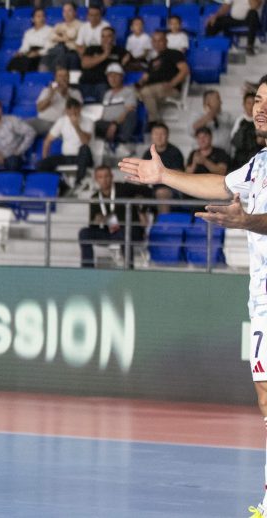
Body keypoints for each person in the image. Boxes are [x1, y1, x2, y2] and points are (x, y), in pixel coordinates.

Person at [119, 75, 267, 518]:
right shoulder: (259, 163)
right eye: (258, 100)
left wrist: (249, 222)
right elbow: (222, 185)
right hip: (261, 297)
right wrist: (164, 175)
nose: (260, 108)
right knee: (265, 397)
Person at [77, 165, 149, 268]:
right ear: (96, 179)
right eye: (100, 177)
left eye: (106, 176)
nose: (104, 180)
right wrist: (96, 222)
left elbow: (147, 191)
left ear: (112, 176)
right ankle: (87, 269)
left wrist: (142, 211)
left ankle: (129, 269)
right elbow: (92, 225)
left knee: (124, 232)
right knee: (84, 233)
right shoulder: (95, 198)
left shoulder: (124, 188)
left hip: (131, 230)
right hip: (111, 232)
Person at [37, 97, 94, 187]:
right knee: (42, 164)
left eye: (76, 109)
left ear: (80, 109)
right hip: (67, 157)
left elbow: (85, 141)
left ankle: (78, 182)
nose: (73, 112)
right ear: (67, 111)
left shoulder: (88, 121)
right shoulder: (62, 121)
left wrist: (76, 126)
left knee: (84, 148)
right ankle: (60, 183)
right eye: (70, 110)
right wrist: (45, 157)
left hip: (83, 157)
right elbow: (47, 141)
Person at [136, 30, 189, 125]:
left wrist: (172, 83)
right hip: (153, 89)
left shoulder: (174, 53)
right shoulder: (152, 61)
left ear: (166, 41)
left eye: (160, 40)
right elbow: (145, 77)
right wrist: (136, 86)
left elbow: (185, 70)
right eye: (154, 41)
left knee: (146, 92)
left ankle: (154, 122)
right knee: (131, 94)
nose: (157, 43)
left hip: (169, 88)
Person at [0, 99, 36, 171]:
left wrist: (19, 151)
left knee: (13, 162)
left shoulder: (12, 121)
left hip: (13, 156)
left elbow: (30, 132)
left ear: (1, 109)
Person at [94, 63, 138, 153]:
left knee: (131, 115)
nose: (112, 79)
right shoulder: (107, 93)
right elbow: (104, 113)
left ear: (121, 77)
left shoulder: (129, 91)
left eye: (115, 76)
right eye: (110, 76)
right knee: (94, 124)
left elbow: (129, 109)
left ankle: (122, 143)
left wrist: (115, 124)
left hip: (121, 124)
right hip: (107, 125)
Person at [28, 66, 83, 136]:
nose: (63, 78)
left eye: (66, 76)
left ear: (69, 78)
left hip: (59, 123)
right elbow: (39, 109)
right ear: (55, 78)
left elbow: (76, 110)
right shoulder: (47, 90)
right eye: (60, 76)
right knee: (17, 125)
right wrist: (51, 94)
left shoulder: (75, 92)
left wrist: (66, 94)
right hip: (41, 121)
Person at [78, 26, 129, 102]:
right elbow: (84, 64)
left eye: (109, 36)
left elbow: (128, 64)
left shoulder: (120, 51)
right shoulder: (92, 49)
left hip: (104, 84)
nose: (105, 39)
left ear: (114, 38)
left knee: (106, 98)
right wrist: (105, 55)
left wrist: (126, 61)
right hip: (85, 82)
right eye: (103, 36)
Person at [7, 8, 53, 74]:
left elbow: (49, 48)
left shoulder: (50, 30)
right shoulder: (28, 32)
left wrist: (37, 53)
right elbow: (24, 47)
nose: (41, 18)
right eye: (38, 16)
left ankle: (25, 78)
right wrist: (20, 52)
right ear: (33, 19)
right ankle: (14, 79)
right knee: (14, 60)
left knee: (27, 61)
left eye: (43, 16)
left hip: (41, 54)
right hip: (29, 52)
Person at [190, 90, 235, 155]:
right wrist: (212, 112)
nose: (221, 102)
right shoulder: (197, 115)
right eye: (218, 99)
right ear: (208, 101)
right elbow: (192, 129)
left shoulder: (227, 116)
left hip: (224, 158)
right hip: (203, 156)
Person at [42, 2, 82, 71]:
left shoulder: (80, 25)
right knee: (45, 58)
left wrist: (60, 34)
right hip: (57, 50)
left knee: (63, 58)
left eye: (69, 10)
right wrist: (65, 37)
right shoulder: (59, 25)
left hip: (72, 52)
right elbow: (51, 36)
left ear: (75, 12)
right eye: (64, 11)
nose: (66, 13)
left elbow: (72, 34)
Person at [232, 91, 261, 170]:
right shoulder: (240, 120)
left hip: (257, 159)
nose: (251, 106)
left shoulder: (261, 120)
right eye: (248, 103)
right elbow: (234, 141)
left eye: (254, 103)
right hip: (240, 160)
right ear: (244, 105)